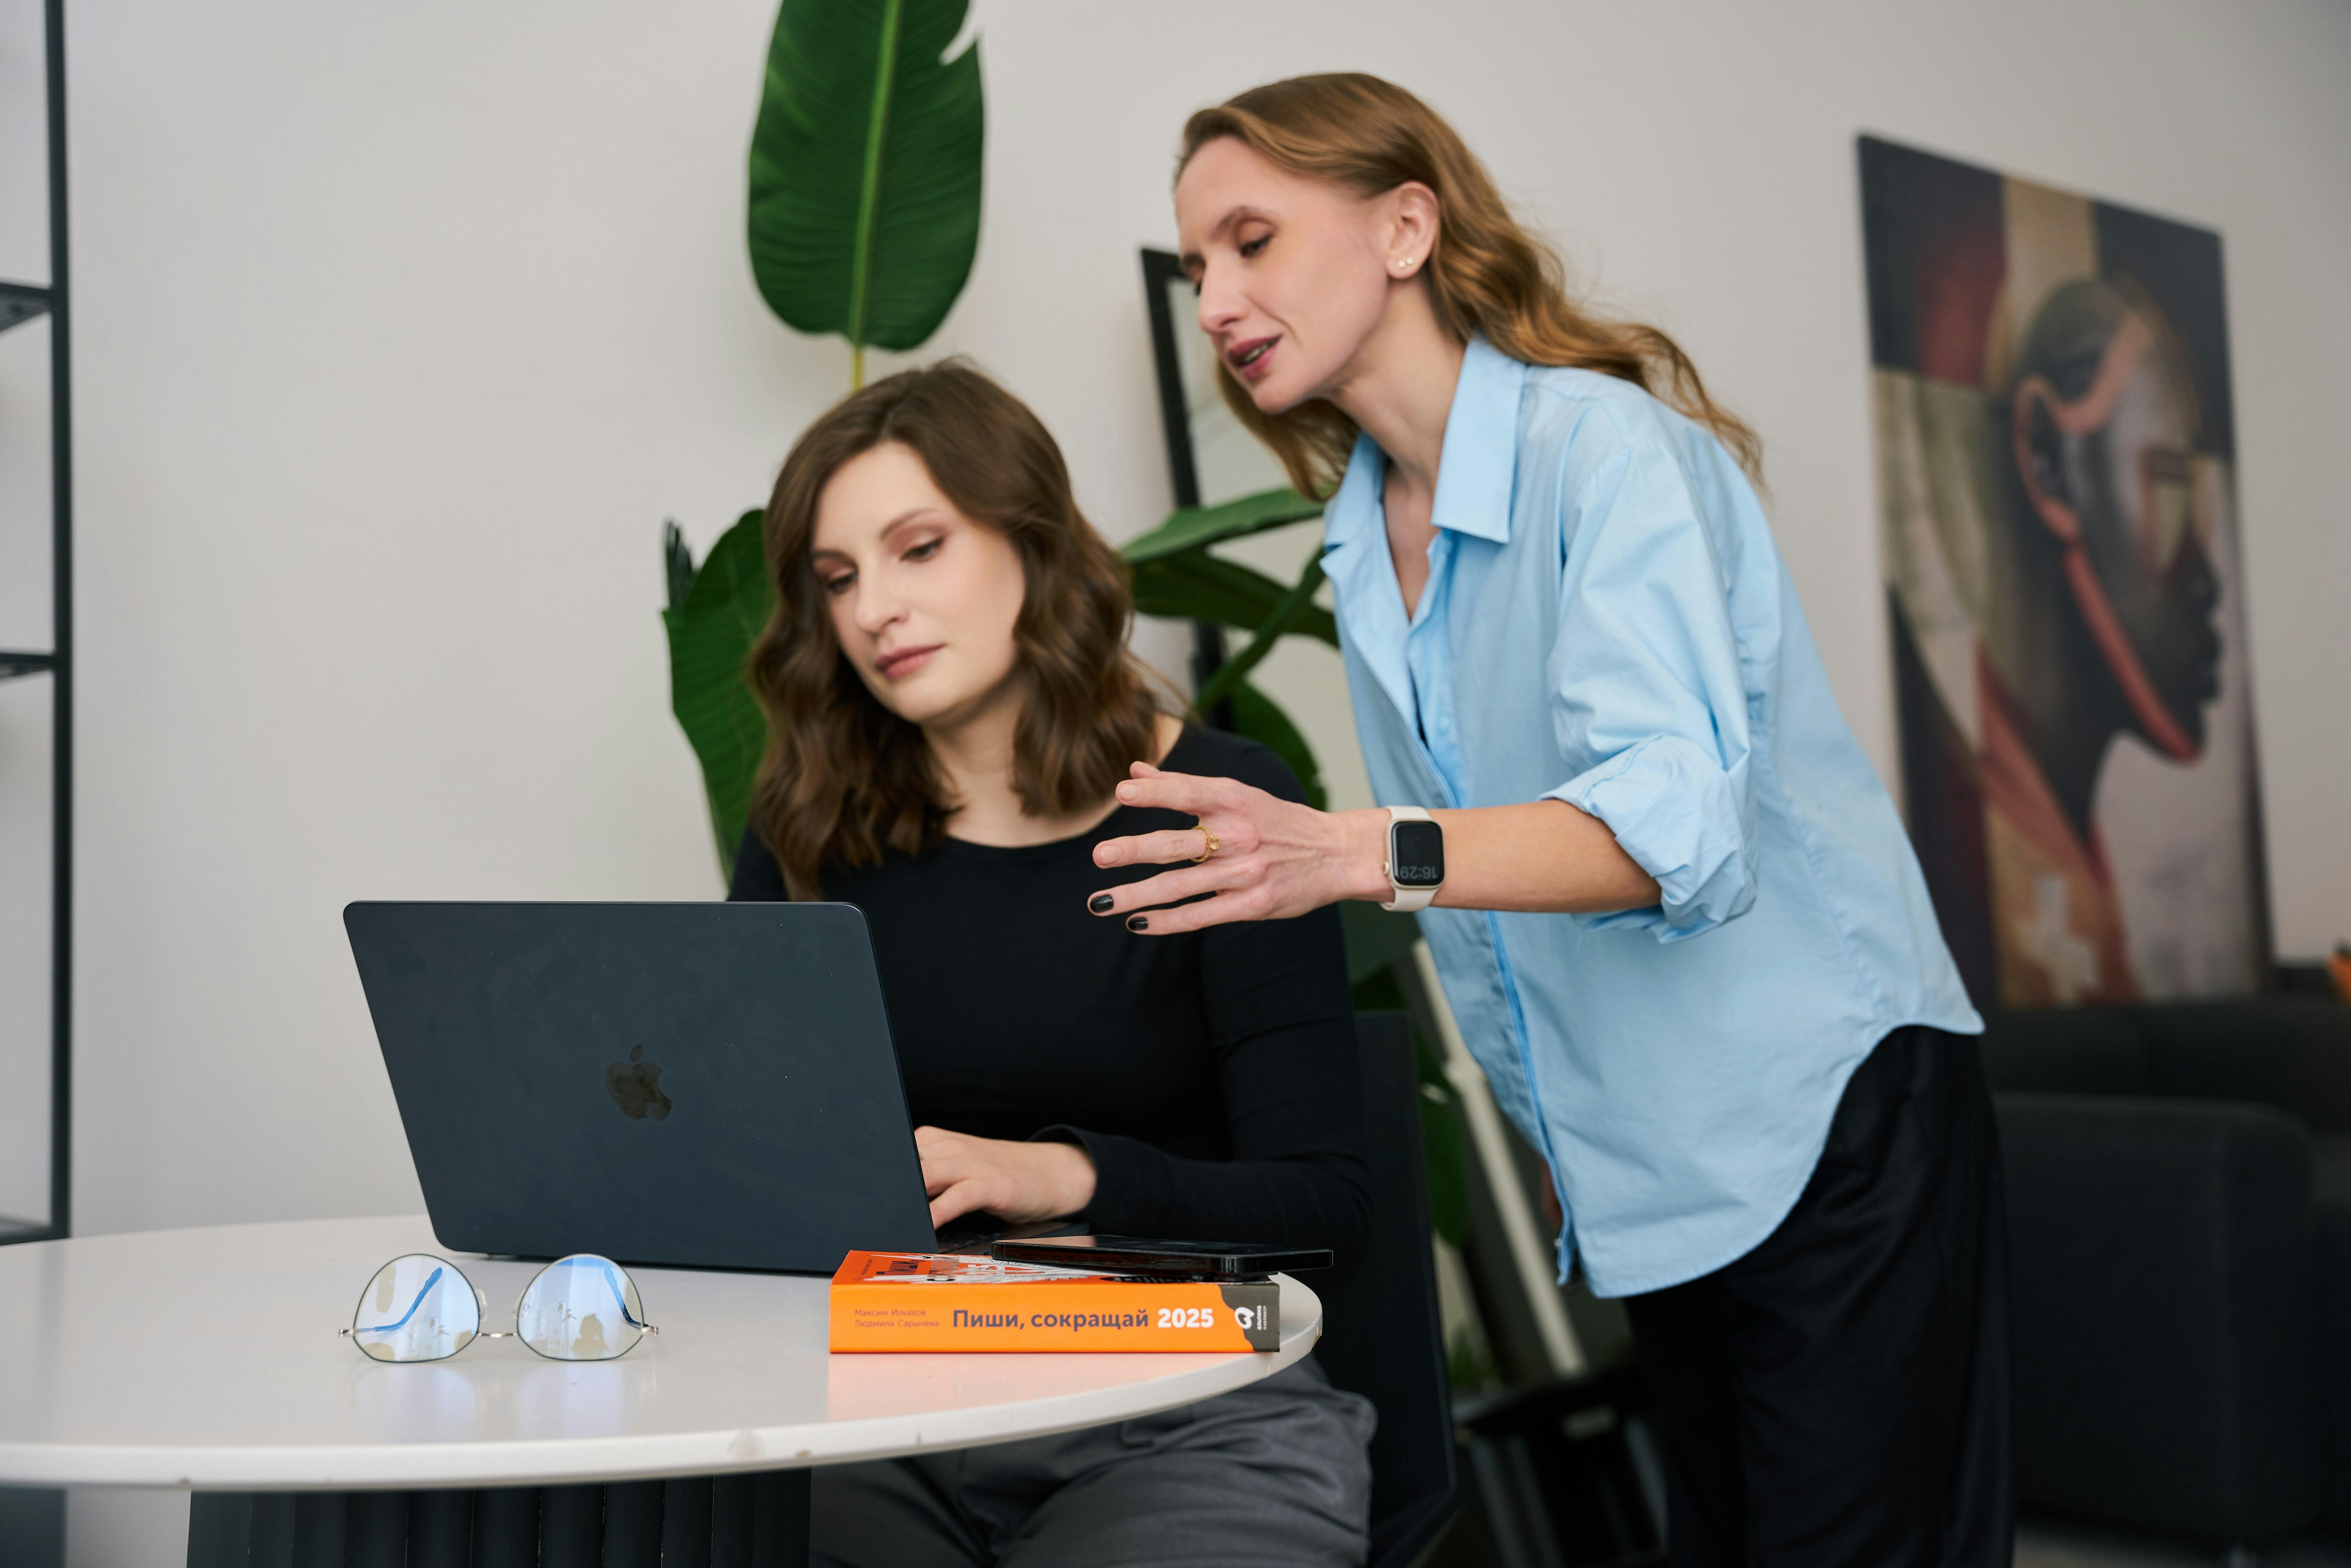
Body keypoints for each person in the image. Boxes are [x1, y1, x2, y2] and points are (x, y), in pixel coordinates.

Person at [1087, 74, 2007, 1566]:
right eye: (1196, 266)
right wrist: (1553, 1118)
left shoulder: (1603, 453)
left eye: (1251, 241)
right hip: (1654, 1157)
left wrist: (1345, 848)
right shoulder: (1361, 538)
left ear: (1404, 228)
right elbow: (1502, 917)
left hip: (1820, 1112)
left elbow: (1663, 833)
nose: (1216, 301)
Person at [726, 360, 1377, 1568]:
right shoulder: (802, 829)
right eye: (838, 578)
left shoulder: (1219, 808)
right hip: (880, 1415)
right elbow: (747, 1171)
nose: (873, 610)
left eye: (918, 548)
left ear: (1031, 542)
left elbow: (1325, 1209)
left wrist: (1061, 1175)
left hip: (1174, 1413)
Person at [1972, 277, 2221, 1004]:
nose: (2206, 579)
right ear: (2049, 463)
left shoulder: (2069, 859)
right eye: (2168, 486)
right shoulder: (1980, 851)